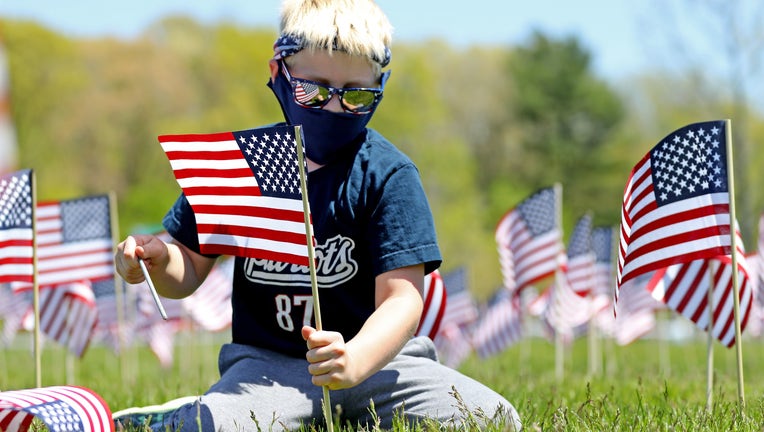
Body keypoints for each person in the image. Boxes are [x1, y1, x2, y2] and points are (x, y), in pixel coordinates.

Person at [113, 0, 522, 430]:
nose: (334, 108)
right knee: (208, 427)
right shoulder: (244, 165)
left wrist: (356, 358)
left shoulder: (388, 175)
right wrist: (158, 263)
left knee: (493, 418)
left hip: (381, 367)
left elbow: (403, 299)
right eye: (315, 90)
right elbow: (191, 268)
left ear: (379, 85)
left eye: (357, 95)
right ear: (279, 75)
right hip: (267, 370)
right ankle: (172, 418)